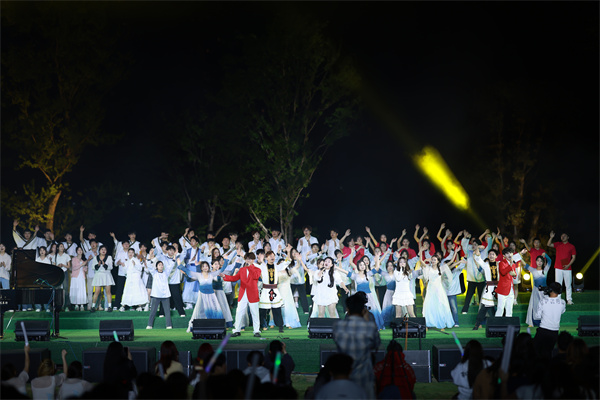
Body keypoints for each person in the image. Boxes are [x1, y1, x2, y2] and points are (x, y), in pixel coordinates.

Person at [332, 292, 381, 399]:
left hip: (344, 375)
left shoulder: (338, 326)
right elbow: (376, 344)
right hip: (364, 376)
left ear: (348, 309)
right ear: (363, 309)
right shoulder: (369, 327)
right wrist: (366, 320)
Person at [222, 252, 262, 337]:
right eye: (247, 259)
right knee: (239, 312)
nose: (248, 260)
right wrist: (224, 276)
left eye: (250, 259)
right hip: (243, 293)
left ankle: (256, 331)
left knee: (255, 313)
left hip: (253, 294)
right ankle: (237, 330)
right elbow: (234, 278)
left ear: (253, 260)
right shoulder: (242, 270)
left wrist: (250, 267)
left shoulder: (257, 269)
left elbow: (255, 276)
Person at [179, 260, 225, 333]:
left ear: (209, 267)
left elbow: (222, 270)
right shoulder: (198, 275)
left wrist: (226, 260)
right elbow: (188, 272)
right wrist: (180, 265)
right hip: (202, 295)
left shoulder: (211, 274)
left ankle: (217, 327)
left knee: (216, 310)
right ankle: (193, 326)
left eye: (206, 266)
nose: (205, 267)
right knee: (198, 310)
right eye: (203, 266)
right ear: (201, 268)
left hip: (211, 295)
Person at [533, 282, 566, 360]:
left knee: (536, 352)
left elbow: (537, 316)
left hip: (543, 330)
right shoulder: (562, 302)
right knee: (548, 353)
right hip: (554, 332)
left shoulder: (543, 301)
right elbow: (562, 311)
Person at [547, 231, 576, 305]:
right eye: (562, 236)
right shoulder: (558, 244)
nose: (563, 237)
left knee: (568, 284)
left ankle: (569, 299)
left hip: (567, 268)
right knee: (558, 284)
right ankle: (558, 299)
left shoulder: (571, 246)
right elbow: (548, 244)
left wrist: (568, 265)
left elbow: (573, 257)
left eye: (564, 236)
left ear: (568, 237)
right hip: (558, 268)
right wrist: (551, 237)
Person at [524, 253, 552, 327]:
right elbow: (524, 264)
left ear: (543, 262)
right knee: (534, 306)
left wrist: (545, 255)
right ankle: (532, 322)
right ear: (536, 262)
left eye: (541, 261)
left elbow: (550, 261)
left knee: (545, 306)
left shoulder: (545, 270)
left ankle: (545, 322)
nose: (539, 262)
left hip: (544, 291)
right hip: (536, 291)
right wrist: (519, 255)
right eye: (538, 261)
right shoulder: (533, 270)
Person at [495, 248, 525, 317]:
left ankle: (509, 323)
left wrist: (514, 275)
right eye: (507, 253)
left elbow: (514, 275)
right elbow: (503, 272)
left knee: (509, 309)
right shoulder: (502, 263)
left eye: (511, 253)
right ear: (504, 255)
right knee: (500, 309)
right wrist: (510, 265)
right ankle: (497, 323)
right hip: (502, 289)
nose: (509, 255)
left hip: (510, 289)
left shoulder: (513, 264)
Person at [146, 257, 174, 329]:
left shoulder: (166, 273)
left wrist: (174, 259)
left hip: (165, 295)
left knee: (167, 311)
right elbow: (149, 266)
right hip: (156, 294)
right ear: (156, 267)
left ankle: (168, 325)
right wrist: (149, 258)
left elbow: (171, 266)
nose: (161, 266)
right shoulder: (154, 273)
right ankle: (149, 325)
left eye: (162, 265)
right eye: (159, 265)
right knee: (153, 311)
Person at [120, 247, 149, 311]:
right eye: (129, 252)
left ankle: (139, 305)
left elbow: (140, 269)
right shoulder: (127, 261)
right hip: (129, 278)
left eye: (132, 252)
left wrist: (135, 264)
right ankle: (124, 305)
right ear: (127, 253)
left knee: (137, 291)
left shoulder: (136, 260)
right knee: (128, 291)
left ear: (134, 254)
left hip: (136, 278)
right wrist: (124, 266)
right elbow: (125, 272)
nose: (130, 254)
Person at [89, 245, 115, 313]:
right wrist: (98, 265)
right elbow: (93, 267)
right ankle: (93, 306)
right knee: (97, 292)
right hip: (98, 275)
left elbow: (111, 267)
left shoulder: (109, 257)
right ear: (99, 250)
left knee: (108, 292)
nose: (103, 251)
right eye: (102, 249)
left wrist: (104, 265)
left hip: (106, 275)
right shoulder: (95, 258)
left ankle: (109, 306)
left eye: (105, 250)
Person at [70, 247, 91, 311]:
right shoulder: (74, 259)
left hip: (81, 276)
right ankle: (76, 305)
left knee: (82, 290)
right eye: (78, 250)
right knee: (76, 290)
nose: (80, 251)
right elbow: (74, 268)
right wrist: (82, 265)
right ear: (76, 251)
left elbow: (85, 270)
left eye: (81, 250)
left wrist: (85, 266)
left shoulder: (83, 260)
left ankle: (82, 305)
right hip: (75, 277)